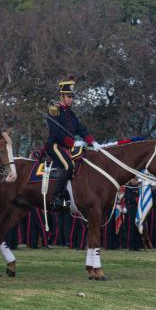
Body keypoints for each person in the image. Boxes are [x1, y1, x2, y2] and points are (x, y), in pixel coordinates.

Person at [46, 77, 96, 211]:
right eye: (69, 97)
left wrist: (91, 141)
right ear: (62, 96)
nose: (71, 99)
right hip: (55, 145)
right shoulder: (54, 110)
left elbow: (80, 128)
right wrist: (72, 142)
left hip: (68, 147)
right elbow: (55, 132)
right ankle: (56, 197)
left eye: (72, 97)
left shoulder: (71, 113)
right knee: (69, 165)